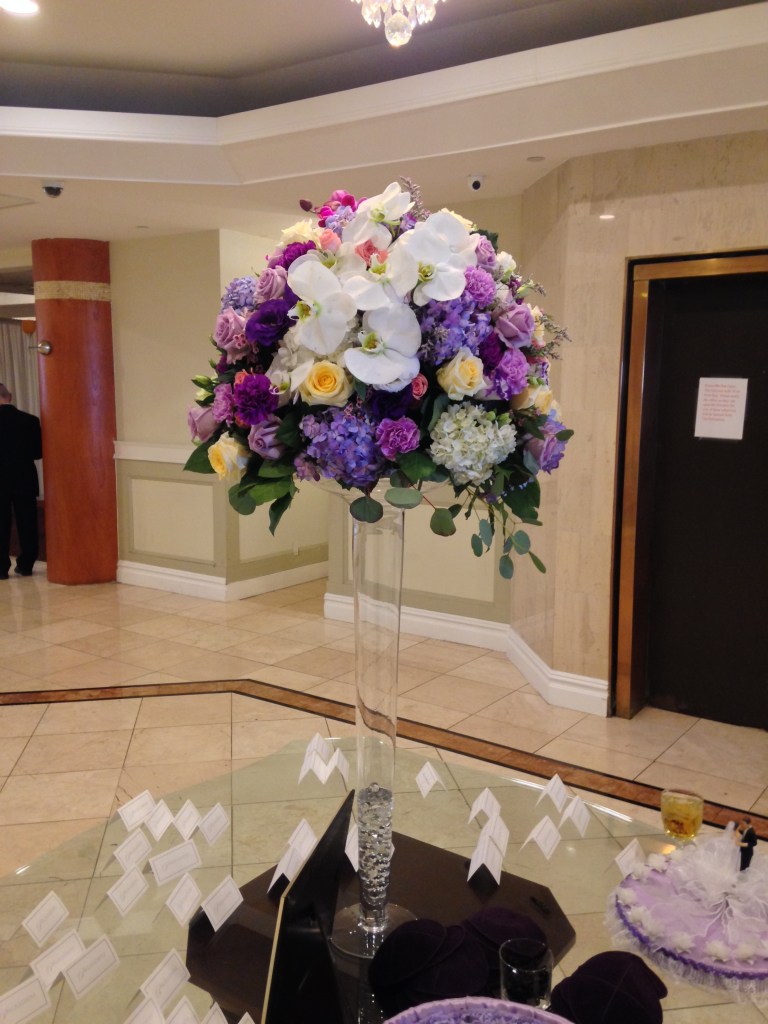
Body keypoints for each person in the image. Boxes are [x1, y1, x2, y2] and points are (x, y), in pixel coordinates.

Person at [0, 382, 43, 579]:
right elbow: (38, 453)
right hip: (24, 477)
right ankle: (26, 565)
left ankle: (1, 568)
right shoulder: (31, 421)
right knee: (27, 522)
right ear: (9, 397)